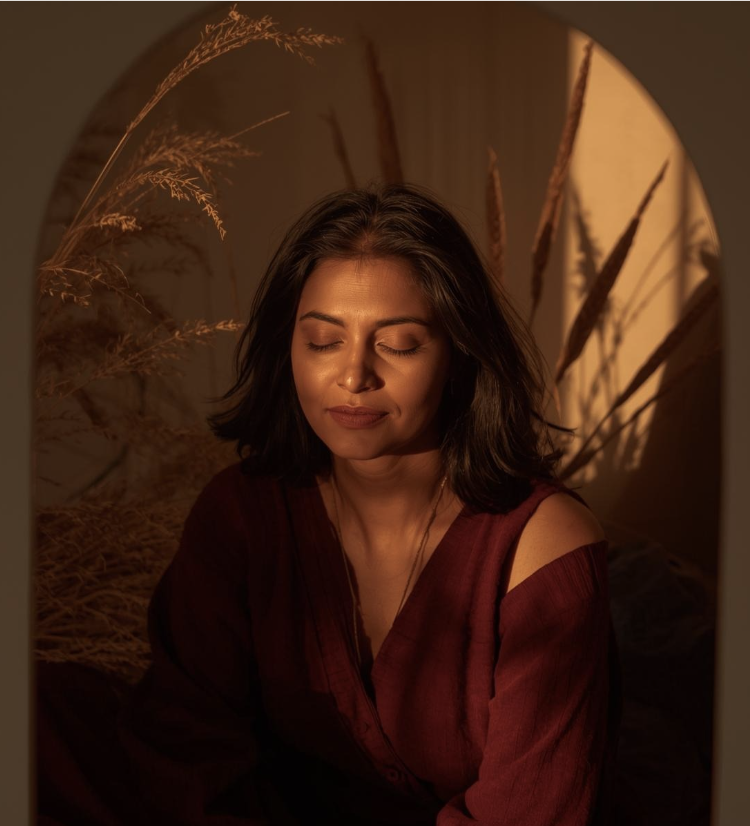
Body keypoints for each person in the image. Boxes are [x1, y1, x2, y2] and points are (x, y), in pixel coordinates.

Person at [38, 184, 621, 825]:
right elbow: (186, 744)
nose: (353, 376)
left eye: (397, 345)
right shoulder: (244, 513)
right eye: (322, 341)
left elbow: (527, 814)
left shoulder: (539, 548)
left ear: (459, 357)